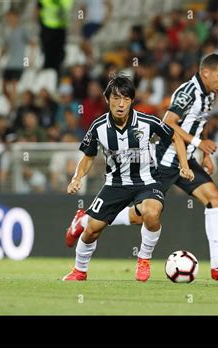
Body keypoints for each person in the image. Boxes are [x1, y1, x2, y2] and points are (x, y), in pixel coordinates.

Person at [66, 54, 218, 281]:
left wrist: (203, 154)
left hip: (186, 159)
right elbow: (169, 123)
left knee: (214, 200)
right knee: (146, 215)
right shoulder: (187, 93)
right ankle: (84, 220)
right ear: (206, 73)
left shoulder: (209, 94)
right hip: (163, 161)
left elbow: (201, 121)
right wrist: (200, 143)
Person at [62, 74, 194, 281]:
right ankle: (79, 270)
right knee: (92, 231)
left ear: (132, 101)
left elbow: (176, 136)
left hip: (147, 180)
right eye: (115, 98)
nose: (120, 104)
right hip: (115, 184)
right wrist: (76, 178)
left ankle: (143, 259)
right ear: (107, 100)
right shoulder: (98, 127)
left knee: (151, 213)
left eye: (125, 99)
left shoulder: (147, 121)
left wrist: (184, 166)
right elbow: (88, 157)